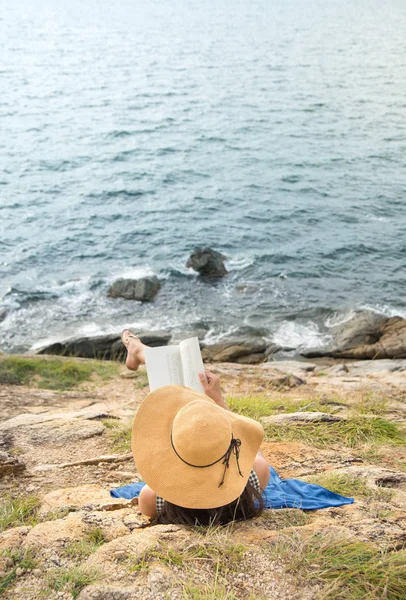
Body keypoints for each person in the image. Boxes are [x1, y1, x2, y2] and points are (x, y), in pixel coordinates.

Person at [122, 330, 271, 526]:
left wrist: (213, 402)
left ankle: (139, 350)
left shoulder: (151, 498)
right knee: (190, 408)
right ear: (226, 441)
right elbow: (250, 446)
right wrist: (217, 400)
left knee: (180, 404)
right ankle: (139, 351)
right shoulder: (254, 476)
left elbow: (247, 443)